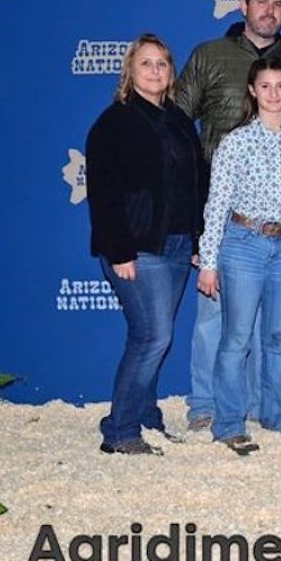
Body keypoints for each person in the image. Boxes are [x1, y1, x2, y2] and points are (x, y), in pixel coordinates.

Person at [175, 0, 281, 432]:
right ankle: (208, 407)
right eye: (262, 1)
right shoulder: (209, 56)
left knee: (274, 334)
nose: (269, 10)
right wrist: (204, 239)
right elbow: (177, 127)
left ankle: (269, 410)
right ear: (244, 6)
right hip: (230, 220)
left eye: (278, 4)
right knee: (222, 326)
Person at [86, 34, 207, 455]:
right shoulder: (113, 123)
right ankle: (120, 431)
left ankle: (144, 415)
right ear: (130, 71)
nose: (155, 71)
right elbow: (104, 193)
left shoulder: (177, 119)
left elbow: (194, 182)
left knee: (153, 336)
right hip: (136, 248)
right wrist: (119, 251)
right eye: (146, 64)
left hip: (175, 244)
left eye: (162, 64)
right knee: (153, 336)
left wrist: (196, 236)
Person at [196, 56, 281, 454]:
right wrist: (209, 259)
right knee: (236, 338)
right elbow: (216, 204)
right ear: (252, 90)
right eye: (265, 86)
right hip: (242, 243)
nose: (273, 94)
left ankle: (277, 414)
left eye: (280, 86)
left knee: (278, 337)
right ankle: (229, 422)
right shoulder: (234, 142)